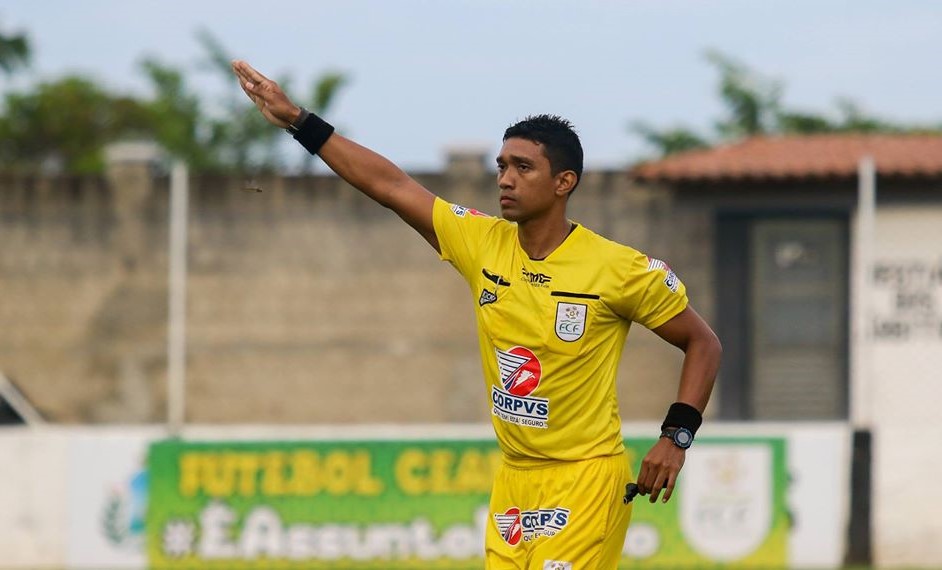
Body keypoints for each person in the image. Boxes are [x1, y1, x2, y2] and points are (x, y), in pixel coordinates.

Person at [231, 59, 721, 569]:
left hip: (585, 478)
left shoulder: (618, 268)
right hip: (514, 479)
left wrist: (676, 437)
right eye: (502, 166)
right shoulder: (483, 242)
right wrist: (298, 120)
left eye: (523, 168)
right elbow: (391, 186)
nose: (505, 180)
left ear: (564, 182)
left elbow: (703, 342)